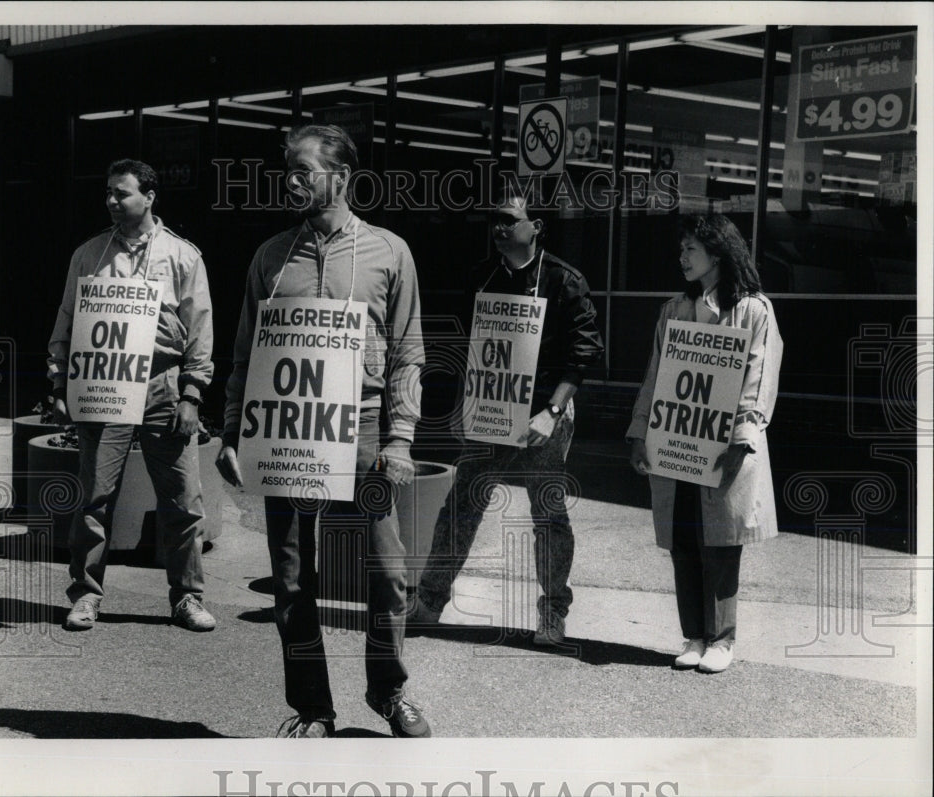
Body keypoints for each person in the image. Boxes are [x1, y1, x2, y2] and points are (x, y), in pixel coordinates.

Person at [216, 124, 430, 738]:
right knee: (290, 577)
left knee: (387, 572)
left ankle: (388, 691)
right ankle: (313, 707)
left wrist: (400, 437)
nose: (290, 179)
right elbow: (245, 354)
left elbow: (409, 354)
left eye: (303, 169)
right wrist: (233, 430)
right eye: (287, 168)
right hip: (288, 434)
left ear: (341, 175)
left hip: (362, 430)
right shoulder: (269, 257)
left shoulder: (389, 252)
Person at [408, 195, 604, 646]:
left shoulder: (563, 280)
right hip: (490, 409)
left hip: (543, 414)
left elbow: (584, 355)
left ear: (535, 226)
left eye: (508, 220)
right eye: (493, 220)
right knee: (461, 505)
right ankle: (429, 602)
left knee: (548, 515)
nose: (497, 227)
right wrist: (462, 404)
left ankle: (553, 612)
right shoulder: (482, 276)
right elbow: (471, 350)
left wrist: (552, 412)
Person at [47, 158, 216, 633]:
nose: (111, 201)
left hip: (163, 383)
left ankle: (187, 597)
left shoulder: (183, 257)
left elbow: (200, 328)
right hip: (104, 382)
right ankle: (85, 595)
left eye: (121, 193)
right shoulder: (89, 254)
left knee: (183, 499)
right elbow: (66, 317)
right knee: (95, 497)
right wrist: (59, 382)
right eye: (107, 192)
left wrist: (192, 394)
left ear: (150, 196)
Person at [627, 214, 783, 674]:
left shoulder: (754, 310)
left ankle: (723, 639)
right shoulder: (674, 309)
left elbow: (758, 378)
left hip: (725, 445)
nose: (682, 258)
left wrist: (741, 438)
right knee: (684, 536)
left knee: (721, 541)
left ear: (717, 253)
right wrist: (640, 432)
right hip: (677, 438)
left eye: (689, 250)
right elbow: (655, 375)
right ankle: (694, 635)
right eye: (681, 250)